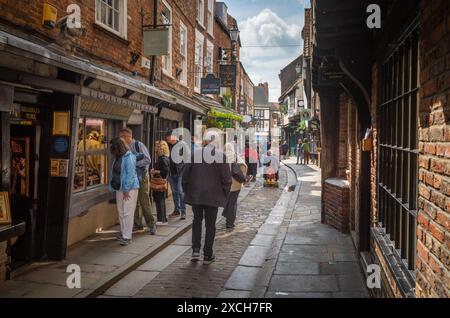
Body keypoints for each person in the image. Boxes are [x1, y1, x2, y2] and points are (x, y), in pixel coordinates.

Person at [183, 136, 232, 265]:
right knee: (210, 225)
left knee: (196, 221)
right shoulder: (221, 155)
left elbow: (185, 175)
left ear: (204, 142)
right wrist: (225, 194)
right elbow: (227, 179)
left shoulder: (194, 154)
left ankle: (195, 250)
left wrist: (187, 190)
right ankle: (208, 254)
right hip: (213, 195)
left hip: (196, 194)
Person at [119, 128, 156, 235]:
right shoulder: (123, 148)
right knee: (134, 203)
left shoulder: (138, 145)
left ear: (127, 136)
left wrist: (133, 164)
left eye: (122, 137)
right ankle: (137, 225)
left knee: (144, 201)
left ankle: (151, 224)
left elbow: (148, 159)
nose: (121, 140)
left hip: (142, 177)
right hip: (131, 178)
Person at [109, 137, 140, 246]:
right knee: (121, 212)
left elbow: (130, 175)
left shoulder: (129, 157)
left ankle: (127, 236)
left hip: (129, 188)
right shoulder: (118, 157)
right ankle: (123, 233)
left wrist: (126, 190)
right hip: (119, 187)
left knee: (127, 213)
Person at [222, 143, 247, 230]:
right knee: (233, 203)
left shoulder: (221, 157)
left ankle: (227, 216)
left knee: (228, 201)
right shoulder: (236, 157)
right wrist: (242, 178)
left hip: (225, 185)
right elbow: (244, 166)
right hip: (235, 185)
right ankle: (229, 222)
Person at [166, 132, 187, 220]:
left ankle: (183, 212)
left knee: (180, 191)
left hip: (180, 173)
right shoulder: (167, 145)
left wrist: (182, 169)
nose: (167, 138)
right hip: (171, 173)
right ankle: (176, 210)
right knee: (174, 192)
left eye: (168, 136)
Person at [151, 141, 171, 225]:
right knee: (161, 200)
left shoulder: (163, 159)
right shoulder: (162, 158)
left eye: (156, 146)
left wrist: (155, 171)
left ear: (160, 148)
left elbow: (165, 171)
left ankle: (161, 219)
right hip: (160, 182)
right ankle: (163, 218)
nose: (154, 148)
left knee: (159, 200)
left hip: (159, 182)